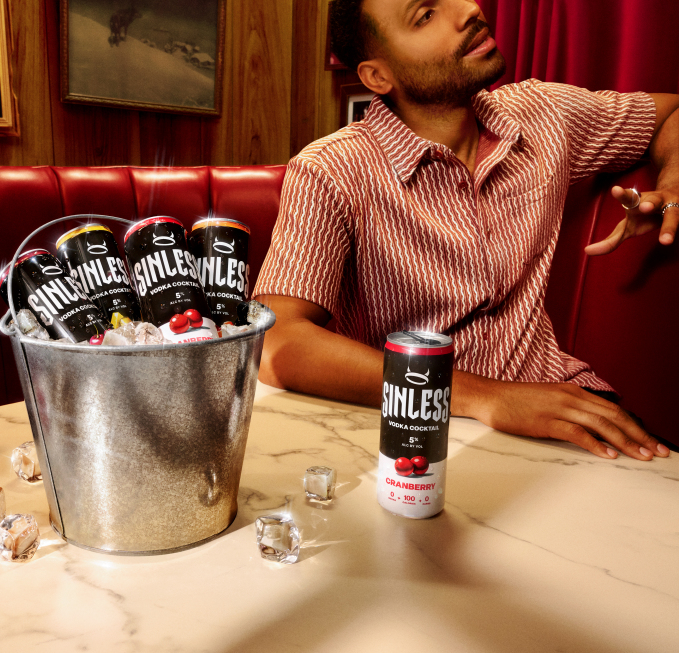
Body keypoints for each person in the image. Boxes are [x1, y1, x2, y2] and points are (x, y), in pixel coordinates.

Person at [252, 0, 678, 461]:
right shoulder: (332, 170)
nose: (469, 9)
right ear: (377, 77)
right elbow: (276, 342)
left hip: (565, 410)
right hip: (413, 438)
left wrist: (672, 183)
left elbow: (672, 113)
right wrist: (485, 396)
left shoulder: (544, 113)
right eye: (425, 15)